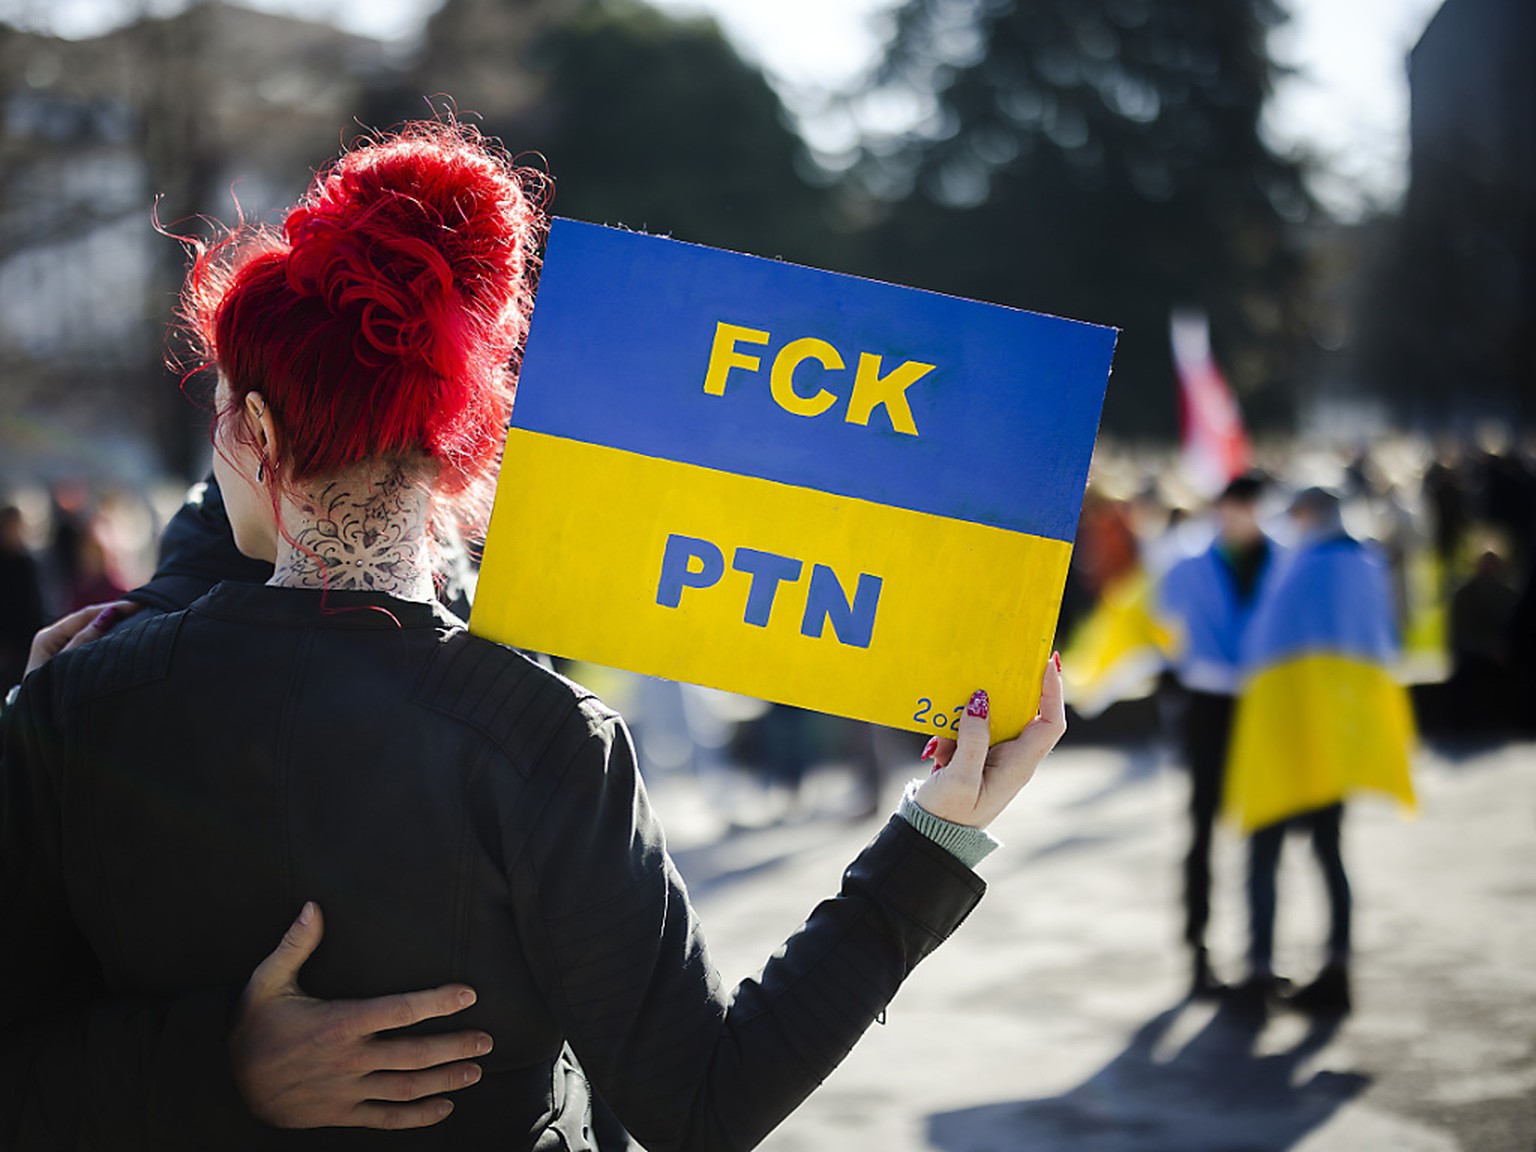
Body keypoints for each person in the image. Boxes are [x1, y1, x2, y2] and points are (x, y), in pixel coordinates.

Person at [0, 120, 1067, 1149]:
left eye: (224, 416)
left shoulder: (75, 704)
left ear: (261, 432)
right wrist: (941, 829)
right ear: (451, 443)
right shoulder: (548, 737)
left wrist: (211, 1071)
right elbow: (705, 1101)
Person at [1224, 486, 1416, 1018]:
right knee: (1331, 852)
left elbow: (1263, 642)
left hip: (1287, 734)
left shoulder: (1302, 565)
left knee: (1264, 853)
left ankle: (1259, 970)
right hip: (1339, 736)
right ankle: (1338, 969)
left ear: (1308, 515)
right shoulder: (1366, 564)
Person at [1155, 473, 1271, 997]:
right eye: (1232, 509)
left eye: (1246, 509)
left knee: (1263, 833)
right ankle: (1198, 947)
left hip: (1265, 706)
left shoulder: (1283, 557)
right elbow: (1160, 623)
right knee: (1203, 828)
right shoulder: (1189, 560)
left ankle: (1258, 956)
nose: (1238, 519)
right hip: (1209, 706)